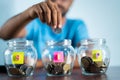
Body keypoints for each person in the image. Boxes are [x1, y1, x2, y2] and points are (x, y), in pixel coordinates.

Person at [0, 0, 89, 68]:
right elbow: (3, 34)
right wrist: (29, 13)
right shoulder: (34, 24)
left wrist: (38, 62)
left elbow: (87, 56)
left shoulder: (77, 25)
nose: (57, 1)